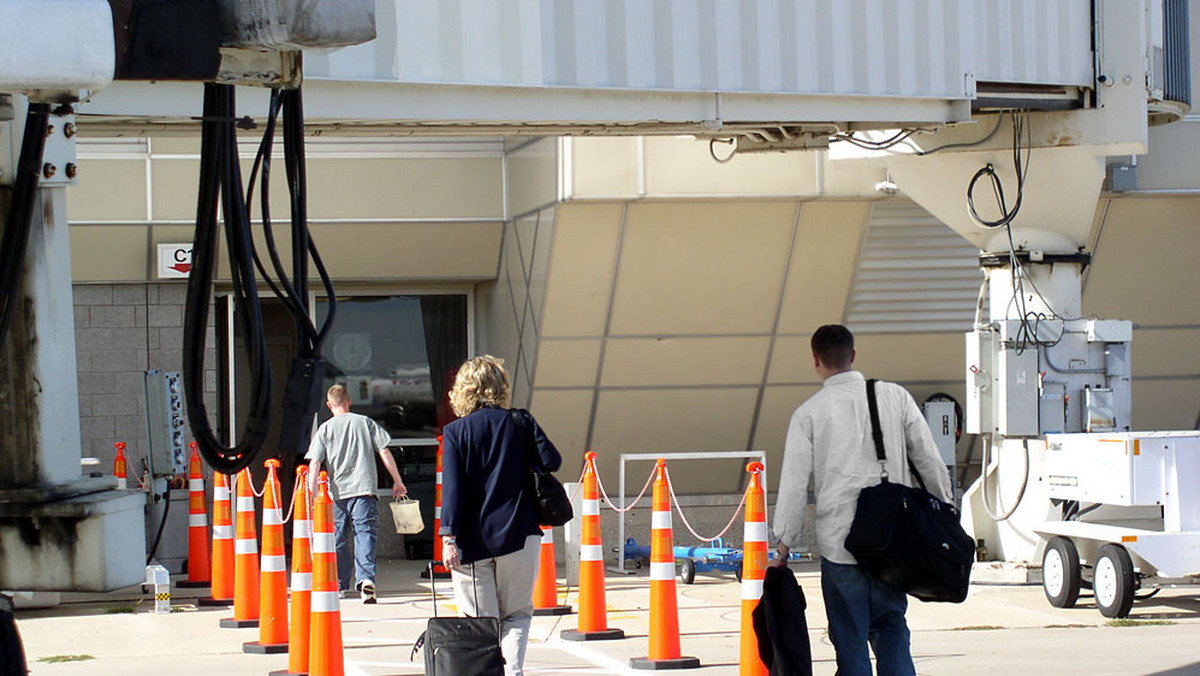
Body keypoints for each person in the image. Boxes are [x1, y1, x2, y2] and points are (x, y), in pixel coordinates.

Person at [771, 324, 952, 676]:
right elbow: (929, 459)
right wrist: (945, 509)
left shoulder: (809, 413)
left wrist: (783, 547)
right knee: (892, 627)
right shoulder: (895, 397)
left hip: (841, 547)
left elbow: (794, 484)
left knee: (850, 639)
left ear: (815, 361)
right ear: (853, 356)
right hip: (893, 544)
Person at [439, 355, 562, 676]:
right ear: (500, 387)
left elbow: (452, 489)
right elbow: (552, 460)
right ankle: (514, 672)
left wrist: (448, 538)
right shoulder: (520, 421)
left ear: (462, 390)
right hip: (520, 534)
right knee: (517, 615)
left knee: (482, 625)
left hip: (471, 541)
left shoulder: (455, 432)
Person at [307, 383, 406, 604]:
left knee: (338, 537)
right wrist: (397, 481)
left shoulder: (325, 429)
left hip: (338, 493)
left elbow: (314, 463)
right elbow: (385, 451)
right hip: (365, 489)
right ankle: (366, 580)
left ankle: (341, 584)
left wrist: (311, 494)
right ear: (349, 401)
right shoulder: (365, 423)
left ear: (328, 405)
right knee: (365, 534)